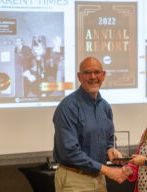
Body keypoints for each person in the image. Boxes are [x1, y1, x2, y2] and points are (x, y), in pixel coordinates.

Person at [53, 57, 127, 192]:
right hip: (75, 180)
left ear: (103, 75)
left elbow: (108, 140)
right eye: (87, 73)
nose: (93, 77)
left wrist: (111, 149)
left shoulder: (104, 107)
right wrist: (107, 170)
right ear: (79, 77)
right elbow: (69, 152)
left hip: (99, 179)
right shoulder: (67, 107)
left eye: (97, 72)